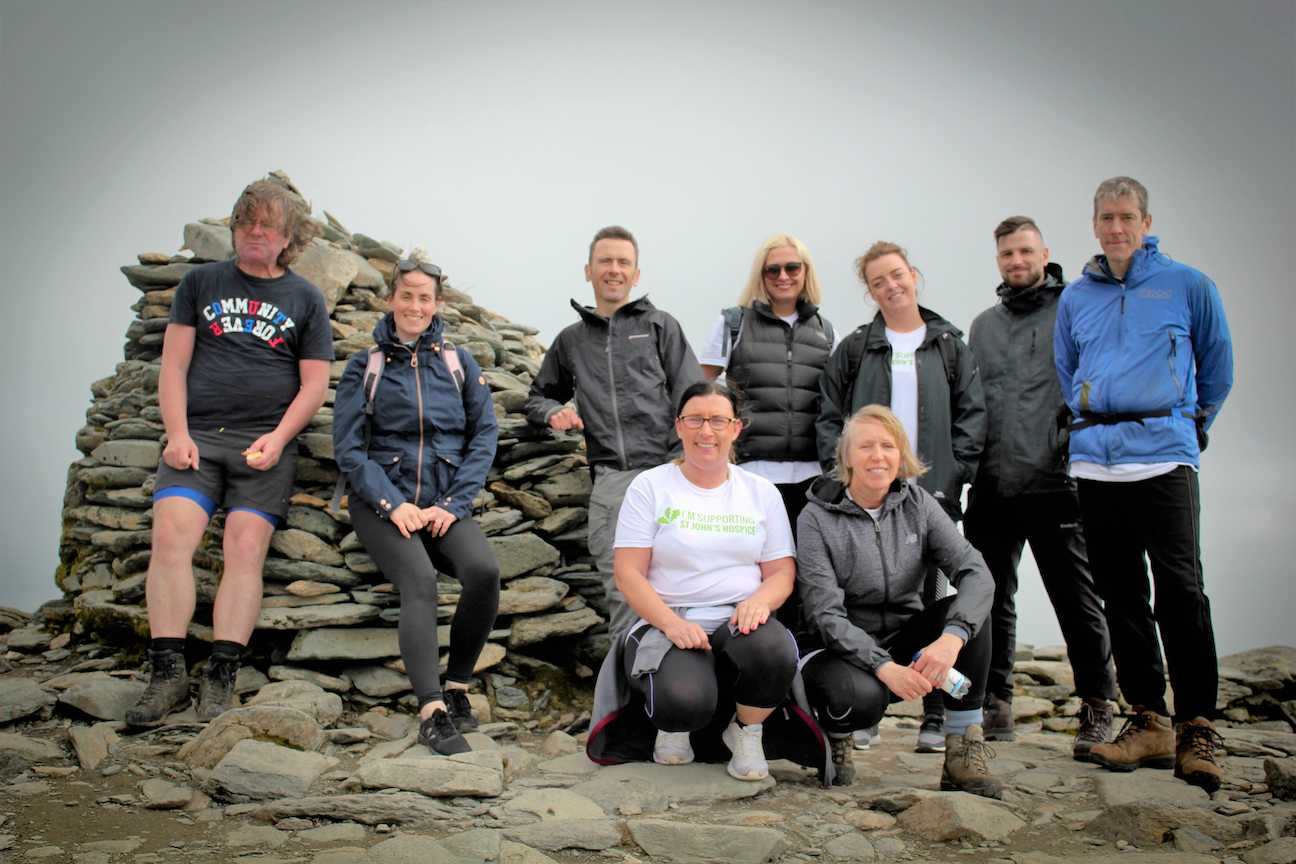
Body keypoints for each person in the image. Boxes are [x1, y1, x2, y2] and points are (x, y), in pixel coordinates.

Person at [125, 179, 333, 726]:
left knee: (245, 547)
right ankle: (166, 675)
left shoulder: (305, 298)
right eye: (245, 223)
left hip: (264, 444)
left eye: (265, 225)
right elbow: (172, 365)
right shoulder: (202, 283)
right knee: (171, 535)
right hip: (197, 437)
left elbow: (314, 384)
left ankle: (220, 677)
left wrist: (279, 438)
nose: (254, 233)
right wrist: (177, 432)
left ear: (287, 235)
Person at [1055, 176, 1233, 792]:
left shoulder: (1187, 285)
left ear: (1147, 220)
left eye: (1127, 216)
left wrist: (1189, 422)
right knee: (1121, 596)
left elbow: (1218, 366)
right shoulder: (1077, 296)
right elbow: (1066, 370)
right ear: (1095, 224)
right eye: (1106, 217)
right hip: (1096, 464)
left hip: (1164, 458)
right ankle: (1148, 719)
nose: (1117, 228)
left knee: (1181, 592)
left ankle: (1198, 727)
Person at [816, 241, 985, 753]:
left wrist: (952, 479)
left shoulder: (949, 344)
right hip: (866, 491)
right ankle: (864, 700)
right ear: (869, 291)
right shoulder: (855, 347)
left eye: (896, 275)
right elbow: (830, 417)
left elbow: (972, 416)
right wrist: (845, 476)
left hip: (930, 497)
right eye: (877, 281)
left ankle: (938, 716)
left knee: (939, 600)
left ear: (914, 275)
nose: (890, 286)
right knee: (865, 595)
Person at [332, 254, 500, 756]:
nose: (415, 305)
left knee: (484, 572)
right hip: (383, 503)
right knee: (420, 580)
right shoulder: (367, 366)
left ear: (437, 304)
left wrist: (454, 501)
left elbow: (484, 434)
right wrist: (391, 502)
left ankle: (458, 689)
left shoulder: (457, 362)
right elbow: (348, 449)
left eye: (424, 297)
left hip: (444, 503)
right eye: (406, 295)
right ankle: (431, 710)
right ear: (391, 299)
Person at [589, 381, 799, 781]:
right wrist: (670, 622)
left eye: (718, 420)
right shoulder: (650, 486)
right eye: (696, 420)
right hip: (668, 619)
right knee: (683, 703)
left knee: (774, 650)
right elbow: (628, 572)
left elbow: (782, 573)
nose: (707, 431)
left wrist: (760, 601)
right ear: (679, 426)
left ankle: (747, 732)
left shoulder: (760, 491)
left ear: (736, 428)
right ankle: (673, 726)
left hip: (738, 617)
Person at [965, 216, 1117, 757]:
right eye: (1007, 253)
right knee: (988, 599)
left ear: (1044, 252)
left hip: (1057, 481)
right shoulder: (983, 326)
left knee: (1075, 599)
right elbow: (972, 403)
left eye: (1025, 251)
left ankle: (1099, 706)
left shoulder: (1075, 306)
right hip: (992, 482)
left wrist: (1075, 448)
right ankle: (993, 702)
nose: (1016, 261)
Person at [797, 405, 999, 797]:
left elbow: (975, 570)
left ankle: (962, 747)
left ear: (900, 454)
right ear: (846, 457)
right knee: (861, 700)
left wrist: (951, 638)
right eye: (866, 447)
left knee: (971, 615)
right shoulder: (815, 518)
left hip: (905, 635)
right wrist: (884, 667)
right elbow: (824, 614)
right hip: (840, 648)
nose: (878, 456)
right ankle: (837, 734)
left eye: (888, 446)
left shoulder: (918, 504)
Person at [524, 226, 704, 640]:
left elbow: (694, 399)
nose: (614, 270)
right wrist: (553, 412)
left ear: (636, 274)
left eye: (623, 262)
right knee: (624, 595)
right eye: (605, 261)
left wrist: (690, 469)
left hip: (669, 475)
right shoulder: (571, 340)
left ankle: (685, 692)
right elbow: (537, 397)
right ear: (588, 270)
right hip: (612, 483)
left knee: (682, 588)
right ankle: (630, 696)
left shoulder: (661, 326)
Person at [698, 233, 836, 539]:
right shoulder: (734, 324)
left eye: (792, 268)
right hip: (752, 473)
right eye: (772, 269)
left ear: (806, 272)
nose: (783, 276)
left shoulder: (826, 332)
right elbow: (697, 388)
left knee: (808, 573)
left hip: (813, 476)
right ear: (760, 275)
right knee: (755, 570)